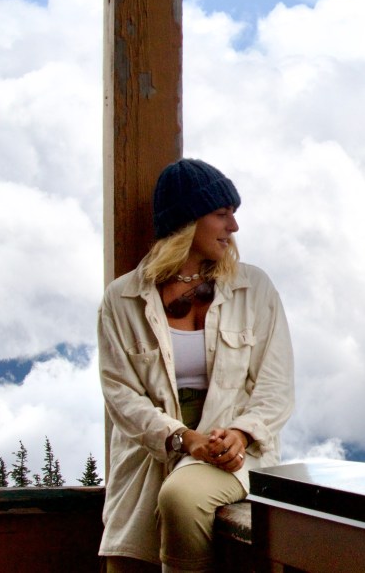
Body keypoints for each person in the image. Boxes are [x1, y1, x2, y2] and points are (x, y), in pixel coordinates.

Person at [98, 158, 295, 572]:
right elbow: (120, 394)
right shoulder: (122, 299)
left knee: (183, 497)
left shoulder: (254, 288)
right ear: (187, 221)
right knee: (128, 561)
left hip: (235, 455)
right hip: (149, 457)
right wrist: (183, 438)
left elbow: (276, 387)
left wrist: (240, 433)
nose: (233, 227)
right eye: (222, 214)